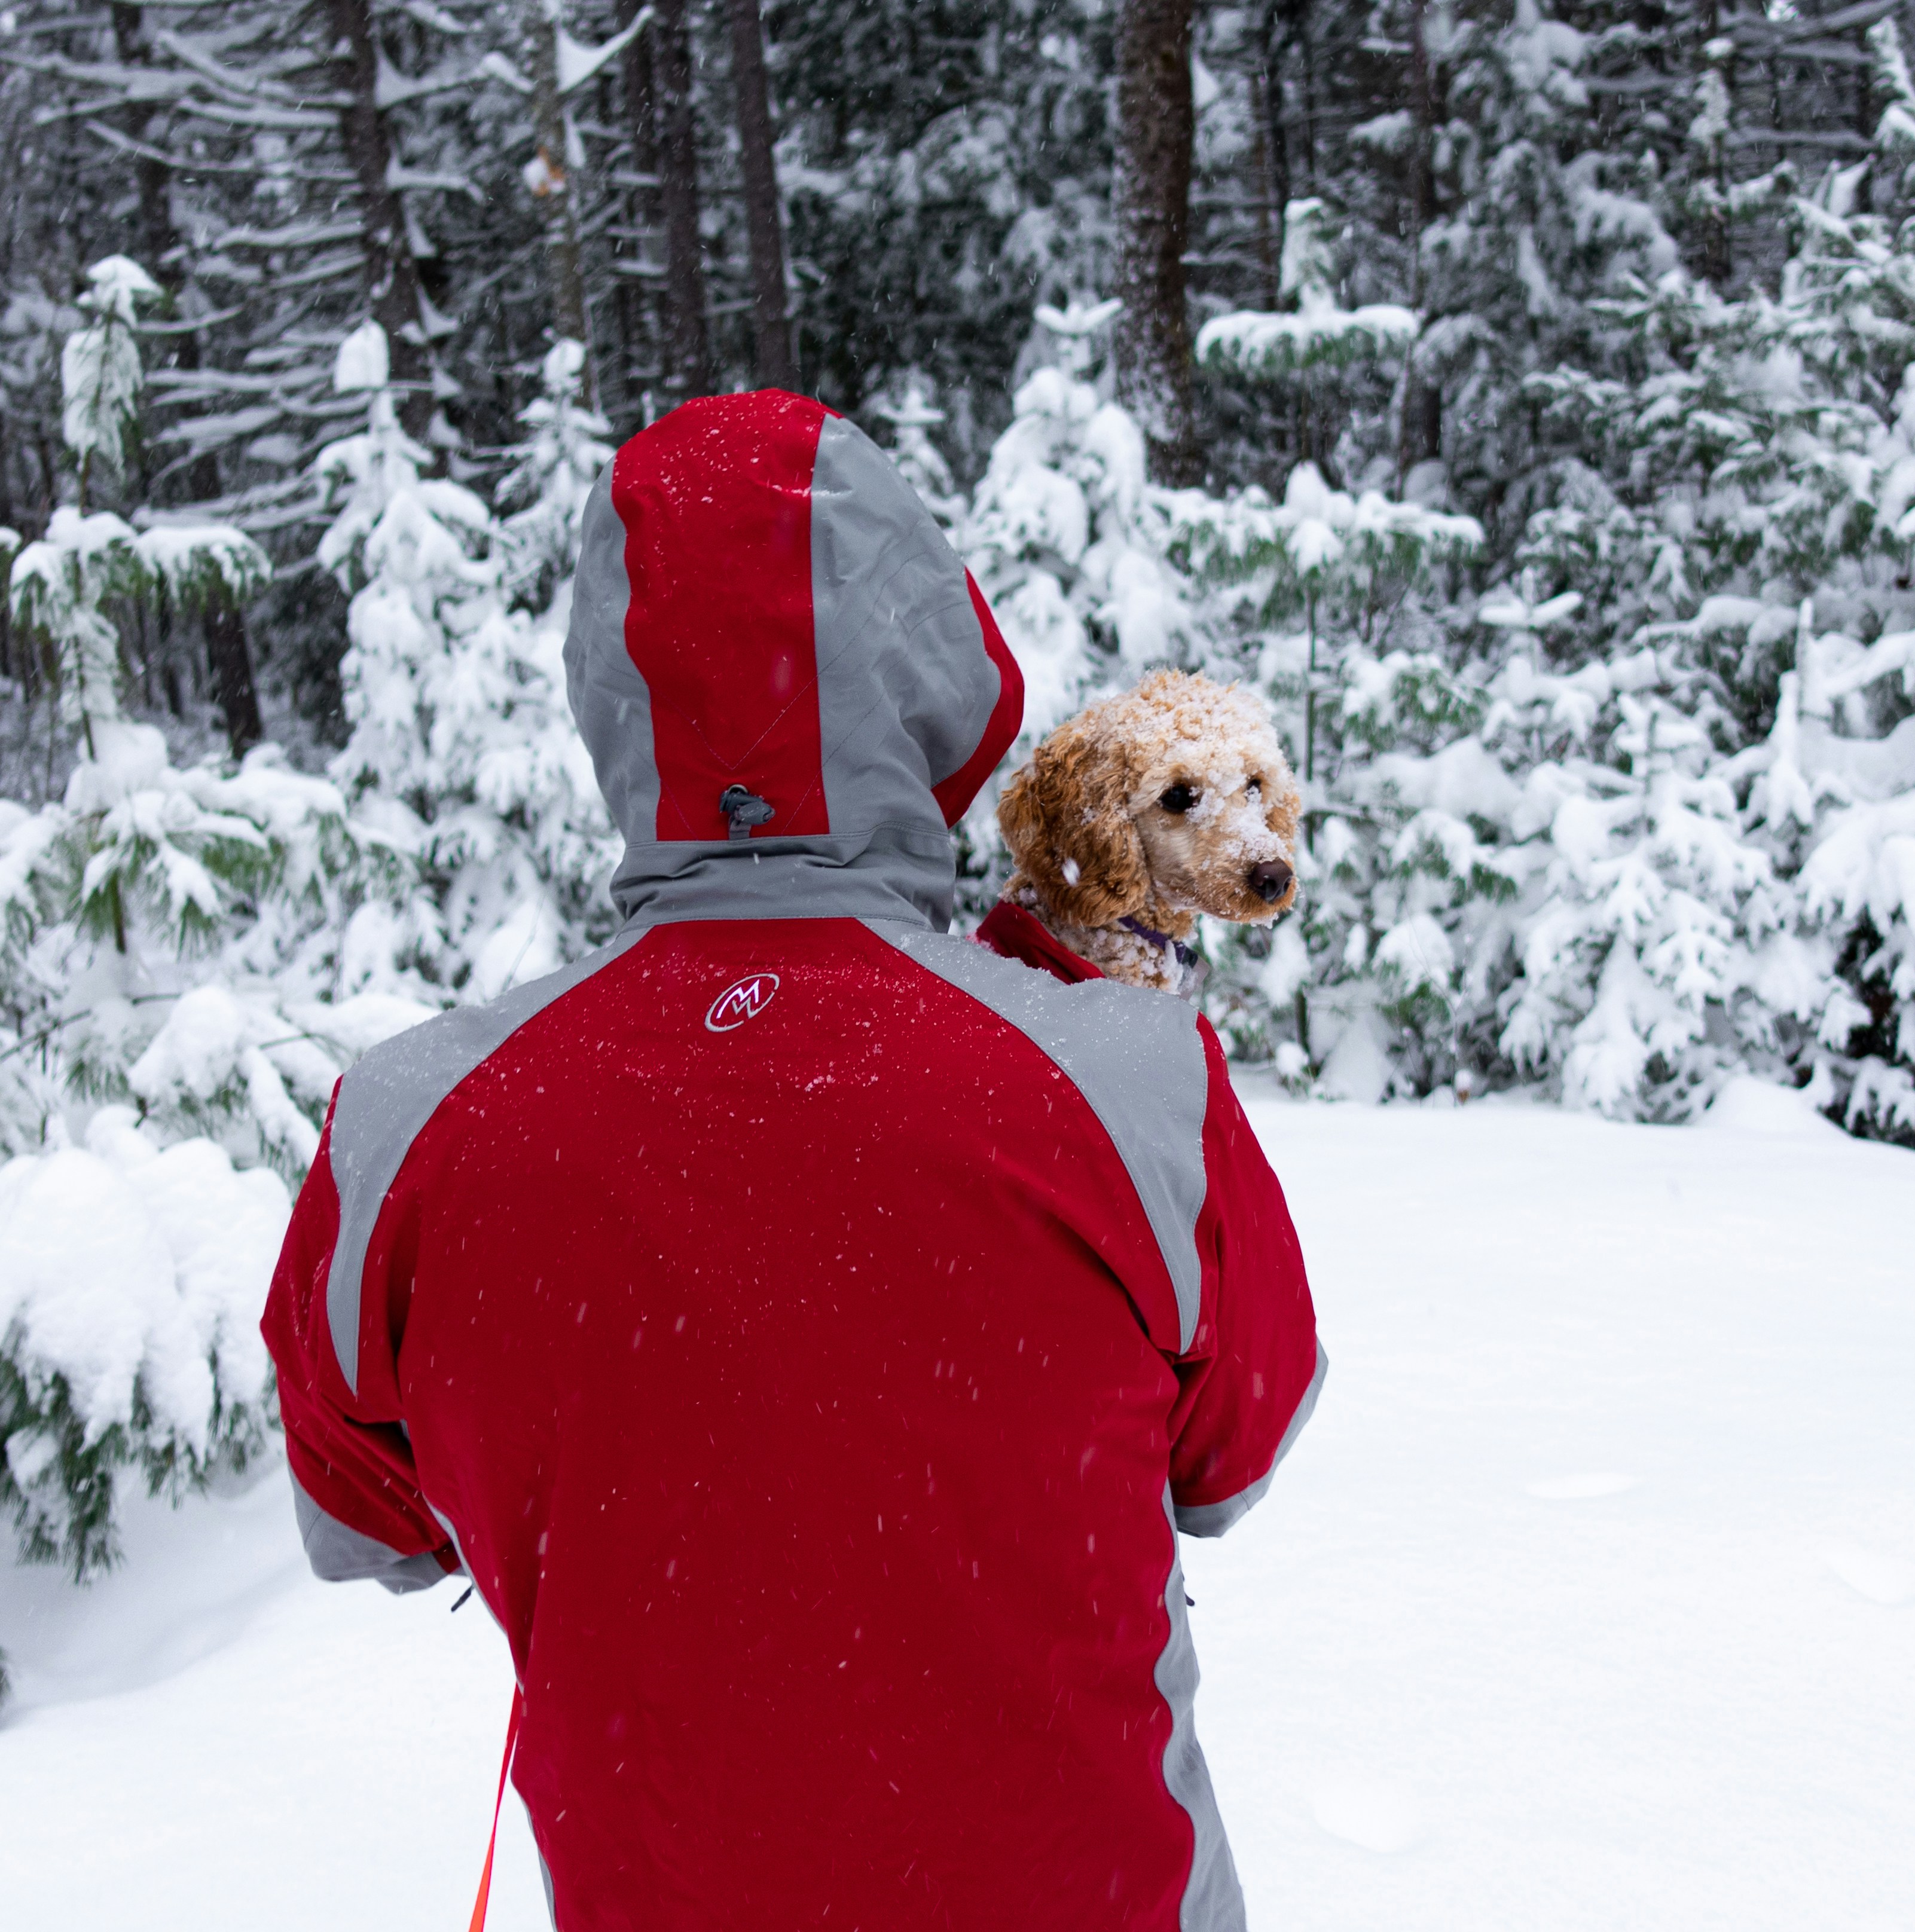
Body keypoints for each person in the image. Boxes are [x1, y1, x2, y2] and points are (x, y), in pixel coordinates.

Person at [261, 390, 1324, 1932]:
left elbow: (367, 1527)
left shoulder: (410, 1124)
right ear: (931, 676)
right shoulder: (1129, 1078)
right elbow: (1231, 1459)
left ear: (614, 700)